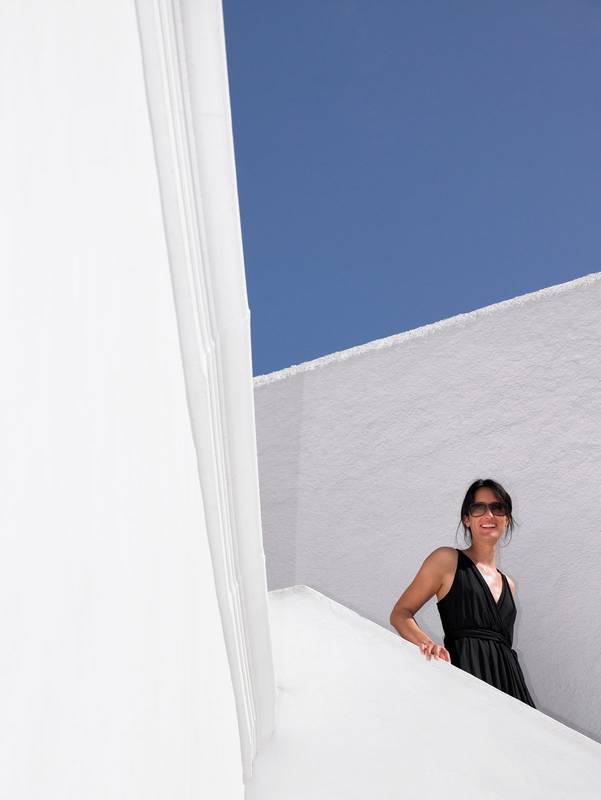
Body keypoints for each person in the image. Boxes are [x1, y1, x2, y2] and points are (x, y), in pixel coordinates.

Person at [389, 478, 536, 707]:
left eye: (497, 508)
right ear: (467, 519)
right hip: (466, 673)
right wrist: (426, 643)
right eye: (478, 508)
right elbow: (400, 613)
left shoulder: (509, 584)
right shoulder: (447, 560)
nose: (489, 515)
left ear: (506, 518)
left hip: (511, 687)